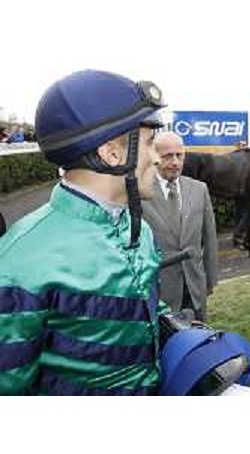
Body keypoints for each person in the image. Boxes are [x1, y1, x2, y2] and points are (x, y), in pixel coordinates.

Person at [0, 70, 167, 395]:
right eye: (150, 143)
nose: (158, 158)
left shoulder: (140, 229)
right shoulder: (20, 259)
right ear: (112, 153)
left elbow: (144, 310)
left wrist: (180, 335)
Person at [143, 131, 218, 322]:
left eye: (179, 155)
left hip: (195, 288)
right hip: (158, 292)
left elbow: (209, 238)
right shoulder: (140, 192)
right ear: (154, 157)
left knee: (197, 345)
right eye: (168, 156)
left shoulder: (199, 189)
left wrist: (210, 279)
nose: (175, 162)